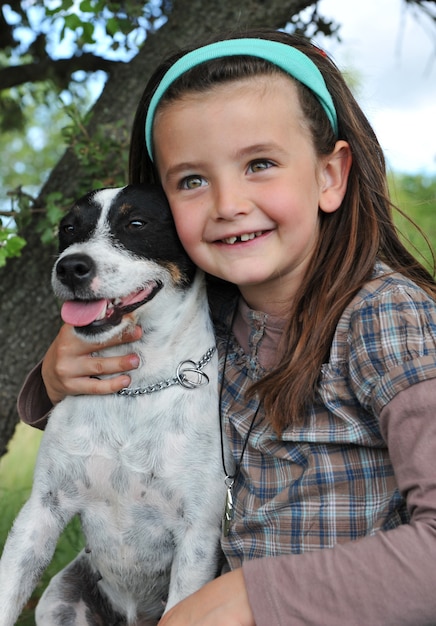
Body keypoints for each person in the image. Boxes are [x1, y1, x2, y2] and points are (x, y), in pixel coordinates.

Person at [18, 28, 436, 625]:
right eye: (191, 180)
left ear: (329, 175)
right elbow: (96, 413)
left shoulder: (383, 318)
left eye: (260, 164)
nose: (227, 203)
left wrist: (251, 596)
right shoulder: (208, 314)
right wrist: (55, 381)